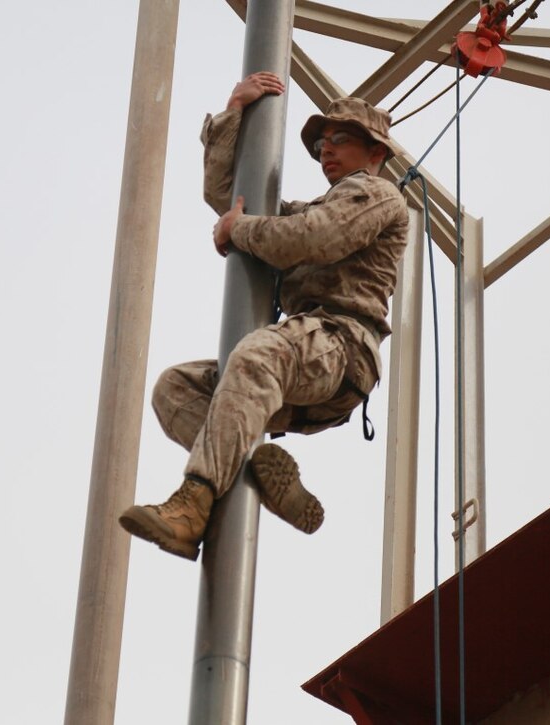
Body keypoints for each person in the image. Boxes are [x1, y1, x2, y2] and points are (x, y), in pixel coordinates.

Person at [119, 72, 409, 560]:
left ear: (375, 153)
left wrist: (243, 229)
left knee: (257, 352)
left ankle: (192, 506)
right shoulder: (316, 205)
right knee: (175, 389)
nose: (327, 152)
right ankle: (255, 471)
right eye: (321, 146)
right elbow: (230, 201)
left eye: (340, 140)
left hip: (339, 347)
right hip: (301, 358)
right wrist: (235, 112)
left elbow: (313, 237)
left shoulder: (377, 195)